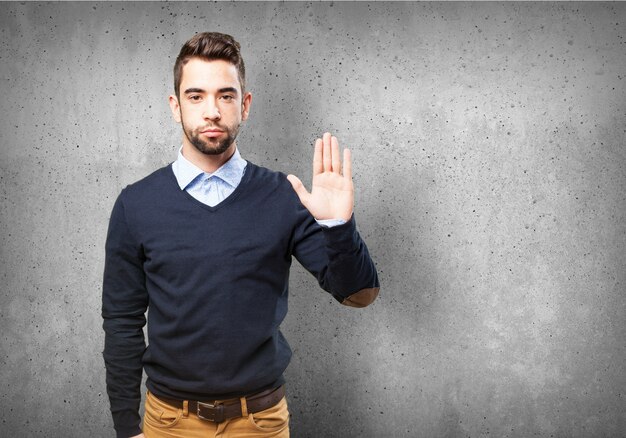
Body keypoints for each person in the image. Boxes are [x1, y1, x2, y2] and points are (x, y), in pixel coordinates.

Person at [102, 32, 379, 438]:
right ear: (175, 107)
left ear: (244, 105)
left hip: (260, 422)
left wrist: (338, 226)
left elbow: (358, 295)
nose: (212, 111)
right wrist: (128, 429)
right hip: (167, 424)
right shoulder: (135, 205)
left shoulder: (284, 197)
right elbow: (122, 322)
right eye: (196, 96)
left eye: (226, 96)